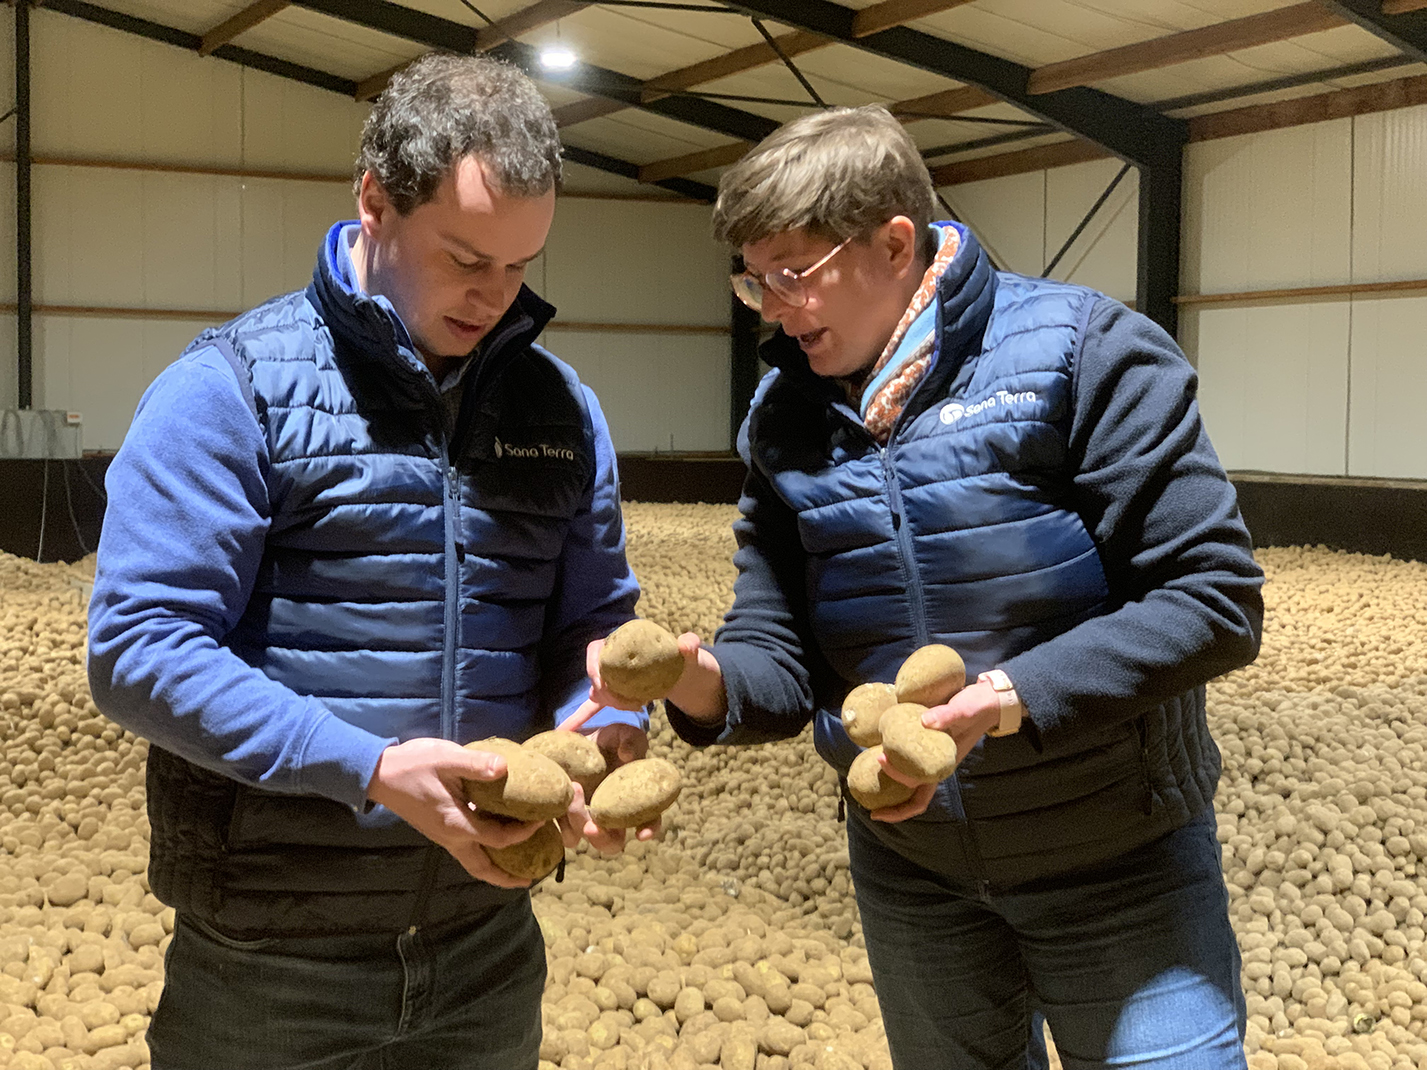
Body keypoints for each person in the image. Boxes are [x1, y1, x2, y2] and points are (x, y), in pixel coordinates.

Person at [588, 105, 1265, 1070]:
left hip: (1117, 862)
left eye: (793, 273)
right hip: (915, 877)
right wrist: (693, 678)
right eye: (754, 280)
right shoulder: (783, 418)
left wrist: (1001, 702)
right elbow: (777, 659)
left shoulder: (1086, 353)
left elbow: (1213, 600)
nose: (772, 307)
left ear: (895, 243)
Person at [87, 53, 651, 1070]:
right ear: (374, 203)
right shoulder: (232, 390)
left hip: (484, 950)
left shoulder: (559, 410)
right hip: (269, 961)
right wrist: (372, 768)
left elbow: (592, 627)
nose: (495, 295)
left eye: (522, 265)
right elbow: (138, 649)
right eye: (466, 258)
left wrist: (601, 727)